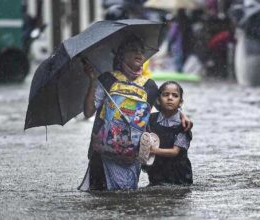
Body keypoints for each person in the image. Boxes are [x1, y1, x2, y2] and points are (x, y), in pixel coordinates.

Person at [78, 36, 192, 191]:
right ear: (121, 56)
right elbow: (88, 112)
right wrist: (92, 80)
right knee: (100, 200)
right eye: (133, 50)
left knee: (128, 199)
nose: (139, 54)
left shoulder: (149, 86)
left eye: (141, 51)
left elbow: (167, 107)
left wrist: (183, 116)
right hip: (103, 154)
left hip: (132, 157)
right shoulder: (106, 80)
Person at [142, 81, 193, 186]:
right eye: (165, 95)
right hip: (157, 174)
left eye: (175, 95)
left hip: (179, 176)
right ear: (158, 100)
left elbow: (175, 152)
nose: (170, 98)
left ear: (180, 102)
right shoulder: (150, 120)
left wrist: (152, 150)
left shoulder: (183, 125)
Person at [167, 8, 193, 73]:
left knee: (178, 61)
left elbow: (171, 36)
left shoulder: (176, 24)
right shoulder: (188, 22)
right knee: (183, 59)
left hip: (179, 45)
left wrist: (169, 47)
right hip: (187, 44)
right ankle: (181, 71)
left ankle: (179, 72)